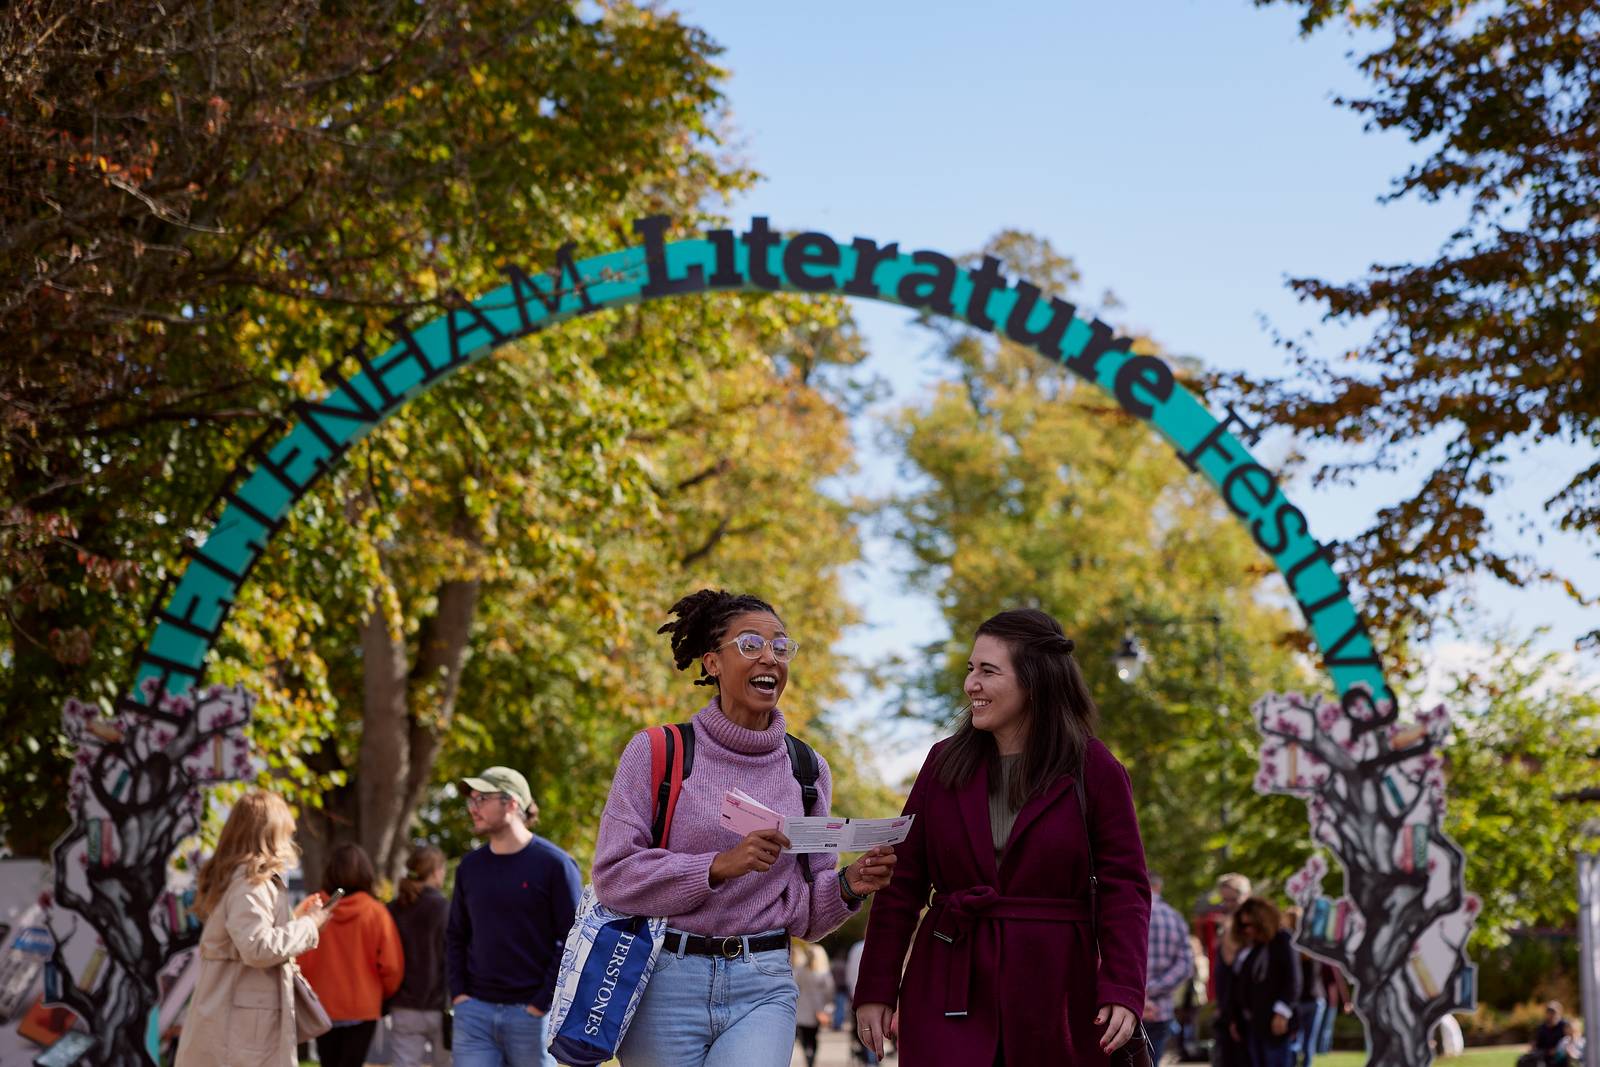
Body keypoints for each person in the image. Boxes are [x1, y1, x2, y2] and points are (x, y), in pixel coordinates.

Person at [591, 589, 897, 1067]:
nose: (770, 658)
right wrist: (716, 866)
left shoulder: (807, 769)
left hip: (764, 982)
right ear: (712, 663)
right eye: (751, 644)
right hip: (664, 982)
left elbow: (807, 920)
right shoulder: (657, 752)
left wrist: (850, 886)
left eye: (780, 646)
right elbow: (613, 877)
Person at [854, 608, 1151, 1065]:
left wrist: (1123, 988)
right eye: (971, 669)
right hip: (948, 981)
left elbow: (1125, 890)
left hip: (1056, 992)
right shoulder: (941, 764)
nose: (971, 683)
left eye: (988, 671)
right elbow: (901, 884)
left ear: (1035, 682)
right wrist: (876, 987)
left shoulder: (1094, 768)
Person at [174, 791, 335, 1067]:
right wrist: (310, 925)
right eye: (286, 832)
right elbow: (257, 948)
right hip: (239, 1031)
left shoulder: (238, 878)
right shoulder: (251, 882)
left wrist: (295, 920)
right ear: (271, 833)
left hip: (236, 1022)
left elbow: (247, 938)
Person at [448, 764, 582, 1067]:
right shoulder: (469, 867)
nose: (473, 808)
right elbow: (456, 934)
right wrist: (459, 995)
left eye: (482, 799)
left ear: (512, 803)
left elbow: (573, 942)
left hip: (532, 1016)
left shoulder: (555, 865)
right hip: (474, 1013)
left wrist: (540, 1004)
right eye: (471, 800)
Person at [297, 842, 405, 1067]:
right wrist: (380, 994)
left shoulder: (312, 906)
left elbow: (296, 957)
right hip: (362, 1006)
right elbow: (392, 967)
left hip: (321, 1004)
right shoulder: (375, 913)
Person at [389, 844, 451, 1067]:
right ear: (436, 872)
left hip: (404, 1004)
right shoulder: (445, 909)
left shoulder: (394, 909)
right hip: (441, 1005)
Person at [1224, 898, 1298, 1067]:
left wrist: (1282, 1012)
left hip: (1273, 1021)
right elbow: (1237, 982)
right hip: (1251, 1022)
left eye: (1250, 925)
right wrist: (1234, 1016)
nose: (1247, 930)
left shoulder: (1281, 939)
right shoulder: (1250, 946)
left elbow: (1293, 979)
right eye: (1243, 926)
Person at [1145, 873, 1195, 1063]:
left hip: (1124, 1006)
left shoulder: (1122, 912)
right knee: (1151, 1061)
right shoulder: (1175, 918)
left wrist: (1139, 992)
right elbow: (1185, 965)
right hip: (1160, 1008)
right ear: (1159, 887)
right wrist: (1152, 989)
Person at [1213, 873, 1253, 1067]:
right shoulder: (1228, 923)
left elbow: (1232, 961)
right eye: (1225, 900)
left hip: (1244, 1009)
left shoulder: (1250, 927)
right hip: (1227, 1005)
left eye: (1233, 899)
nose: (1228, 905)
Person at [1280, 907, 1325, 1067]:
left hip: (1297, 1000)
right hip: (1314, 998)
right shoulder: (1313, 945)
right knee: (1308, 1042)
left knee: (1294, 1039)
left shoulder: (1288, 947)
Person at [793, 943, 837, 1067]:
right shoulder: (823, 972)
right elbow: (830, 991)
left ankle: (808, 1055)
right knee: (813, 1036)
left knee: (805, 1037)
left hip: (803, 1009)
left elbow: (795, 987)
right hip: (817, 1010)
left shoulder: (800, 971)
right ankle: (811, 1058)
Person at [1517, 1001, 1573, 1067]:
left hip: (1561, 1056)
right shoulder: (1542, 1028)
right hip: (1544, 1055)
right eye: (1549, 1012)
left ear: (1559, 1013)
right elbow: (1535, 1045)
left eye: (1553, 1012)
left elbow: (1572, 1039)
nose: (1551, 1015)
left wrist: (1559, 1050)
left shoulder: (1564, 1025)